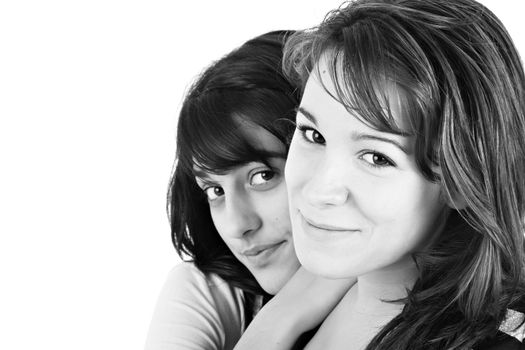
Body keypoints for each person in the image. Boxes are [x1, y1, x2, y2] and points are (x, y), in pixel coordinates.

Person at [282, 0, 525, 349]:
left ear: (461, 182)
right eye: (312, 134)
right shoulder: (287, 282)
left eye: (377, 157)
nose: (319, 190)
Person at [145, 31, 352, 350]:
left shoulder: (413, 300)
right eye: (214, 190)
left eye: (262, 176)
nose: (238, 225)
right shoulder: (209, 293)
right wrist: (280, 317)